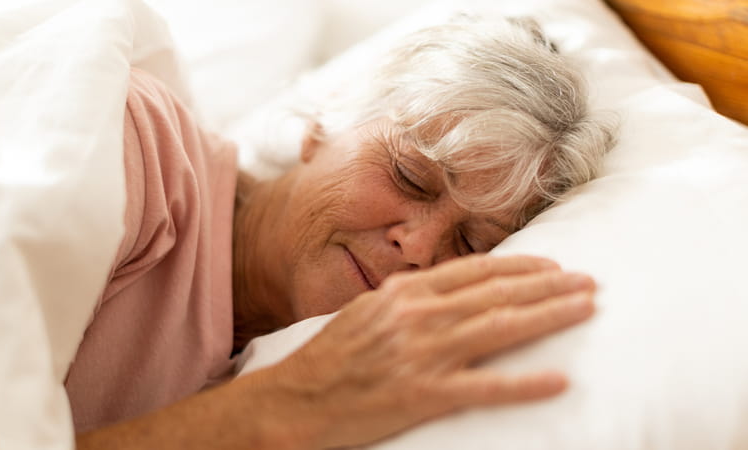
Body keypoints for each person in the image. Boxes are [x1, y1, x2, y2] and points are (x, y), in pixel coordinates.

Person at [71, 14, 616, 449]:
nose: (421, 249)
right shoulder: (136, 148)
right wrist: (284, 405)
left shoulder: (310, 368)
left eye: (472, 244)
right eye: (411, 177)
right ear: (324, 125)